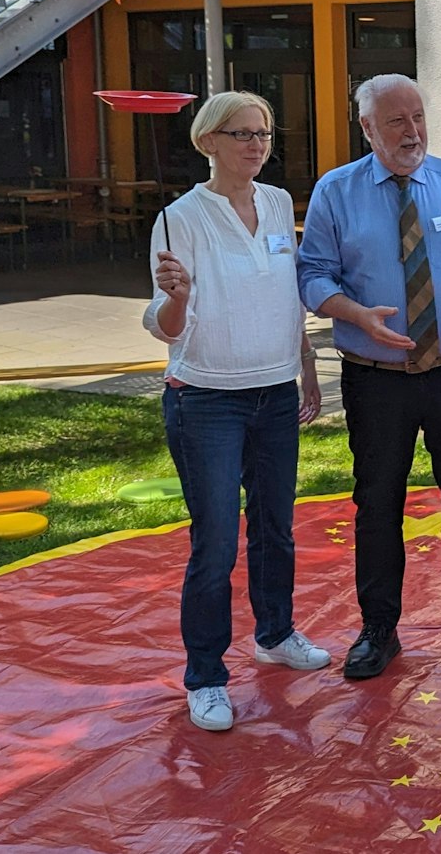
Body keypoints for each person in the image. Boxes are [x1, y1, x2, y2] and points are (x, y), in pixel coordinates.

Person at [297, 74, 441, 681]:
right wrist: (354, 313)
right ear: (367, 128)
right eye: (396, 121)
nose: (412, 131)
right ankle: (379, 629)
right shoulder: (335, 192)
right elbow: (312, 276)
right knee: (376, 504)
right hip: (376, 378)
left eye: (418, 116)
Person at [144, 90, 329, 733]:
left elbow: (285, 293)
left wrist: (306, 362)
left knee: (276, 527)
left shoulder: (279, 203)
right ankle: (206, 676)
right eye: (242, 133)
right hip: (206, 400)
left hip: (276, 391)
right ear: (208, 142)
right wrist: (177, 296)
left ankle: (275, 632)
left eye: (265, 132)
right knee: (217, 542)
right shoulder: (178, 218)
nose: (257, 144)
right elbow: (167, 327)